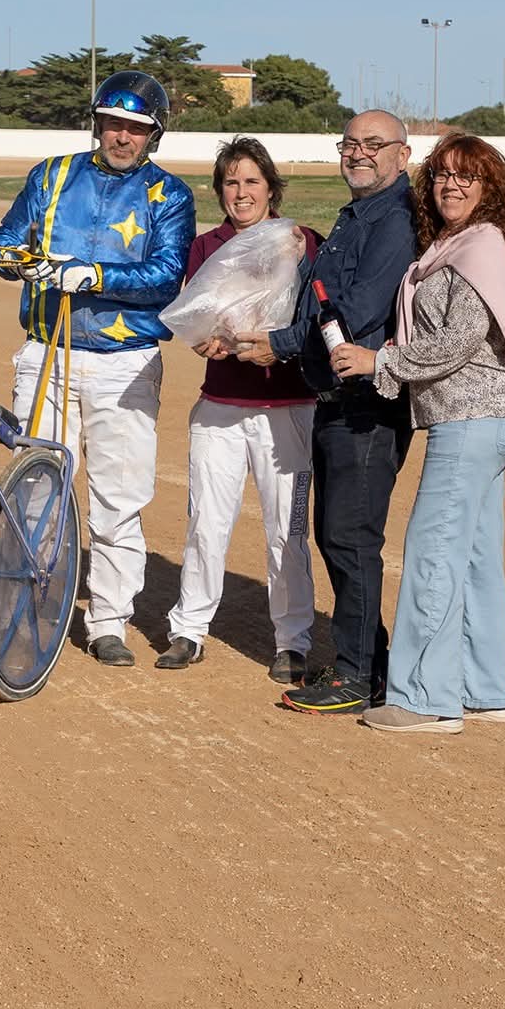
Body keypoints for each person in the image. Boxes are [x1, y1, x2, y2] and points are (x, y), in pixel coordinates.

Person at [329, 133, 505, 733]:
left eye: (466, 177)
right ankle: (483, 688)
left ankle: (424, 698)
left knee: (434, 554)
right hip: (488, 416)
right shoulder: (462, 244)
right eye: (443, 175)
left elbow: (460, 340)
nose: (452, 185)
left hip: (473, 418)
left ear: (490, 188)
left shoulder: (479, 248)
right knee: (474, 558)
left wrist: (382, 363)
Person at [0, 70, 195, 667]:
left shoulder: (169, 196)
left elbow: (166, 277)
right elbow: (2, 240)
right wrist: (19, 262)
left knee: (116, 499)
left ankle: (109, 620)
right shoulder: (51, 175)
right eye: (113, 124)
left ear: (152, 136)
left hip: (125, 364)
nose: (122, 137)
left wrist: (95, 276)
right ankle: (31, 602)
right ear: (97, 123)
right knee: (36, 492)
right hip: (45, 352)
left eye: (136, 128)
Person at [230, 109, 418, 714]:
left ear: (402, 154)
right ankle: (374, 662)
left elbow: (359, 313)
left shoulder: (394, 221)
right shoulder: (356, 216)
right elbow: (317, 299)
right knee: (338, 536)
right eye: (350, 144)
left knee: (349, 539)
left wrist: (279, 345)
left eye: (373, 144)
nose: (359, 153)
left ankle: (357, 673)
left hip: (367, 407)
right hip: (335, 400)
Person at [158, 138, 321, 680]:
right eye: (231, 182)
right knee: (206, 521)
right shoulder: (206, 247)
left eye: (252, 181)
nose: (241, 192)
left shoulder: (302, 241)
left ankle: (293, 641)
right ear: (219, 190)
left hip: (287, 408)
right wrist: (200, 341)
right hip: (221, 405)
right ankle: (189, 630)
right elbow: (196, 316)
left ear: (272, 188)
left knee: (287, 529)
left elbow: (314, 319)